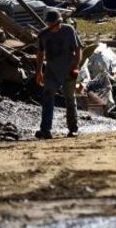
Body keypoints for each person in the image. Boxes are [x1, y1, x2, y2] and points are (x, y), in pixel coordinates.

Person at [35, 9, 82, 139]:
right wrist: (39, 71)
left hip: (68, 70)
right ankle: (45, 130)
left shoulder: (69, 31)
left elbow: (78, 49)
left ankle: (73, 129)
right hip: (51, 71)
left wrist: (76, 66)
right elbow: (40, 54)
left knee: (70, 99)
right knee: (47, 97)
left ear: (59, 22)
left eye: (54, 25)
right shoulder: (43, 35)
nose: (52, 28)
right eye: (50, 25)